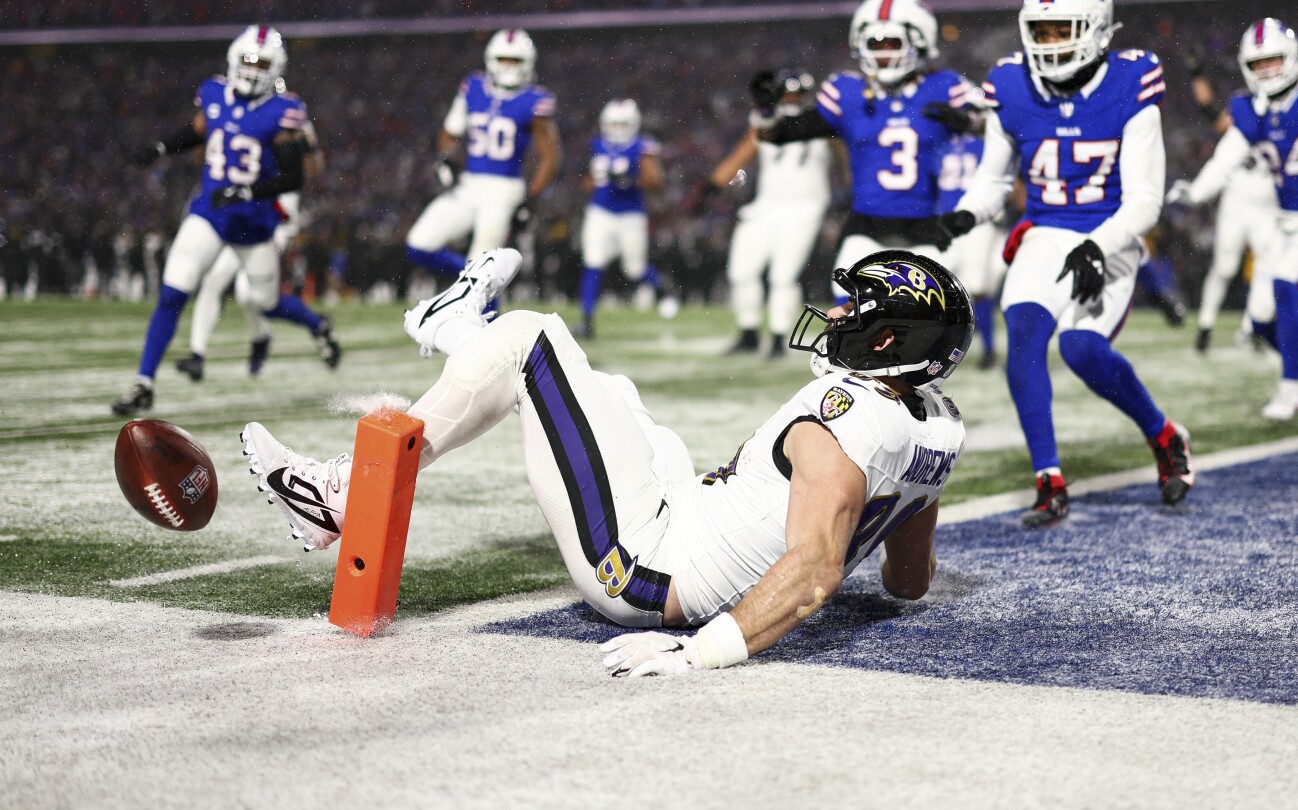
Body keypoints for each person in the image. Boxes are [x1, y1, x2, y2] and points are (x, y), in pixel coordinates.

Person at [243, 247, 973, 675]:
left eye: (857, 310)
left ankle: (342, 494)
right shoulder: (936, 424)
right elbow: (910, 580)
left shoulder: (837, 424)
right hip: (688, 522)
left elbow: (814, 573)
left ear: (889, 341)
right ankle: (460, 328)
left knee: (532, 339)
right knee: (607, 390)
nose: (838, 314)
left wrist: (701, 654)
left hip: (644, 565)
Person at [938, 0, 1195, 527]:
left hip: (1112, 233)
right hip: (1046, 231)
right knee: (1025, 338)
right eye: (1042, 30)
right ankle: (1048, 480)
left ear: (1097, 30)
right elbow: (992, 178)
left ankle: (1164, 435)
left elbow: (1146, 199)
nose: (1052, 41)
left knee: (1080, 350)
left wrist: (1100, 245)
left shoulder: (1131, 81)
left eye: (1064, 29)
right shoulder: (1011, 85)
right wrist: (965, 214)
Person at [1168, 18, 1298, 425]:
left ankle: (1290, 390)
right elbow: (1224, 159)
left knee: (1285, 282)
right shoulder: (1248, 109)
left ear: (1293, 59)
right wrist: (1196, 191)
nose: (1267, 71)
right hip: (1285, 221)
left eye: (1274, 61)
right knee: (1261, 322)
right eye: (1259, 63)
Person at [113, 25, 312, 416]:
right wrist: (160, 148)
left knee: (265, 303)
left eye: (263, 63)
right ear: (234, 59)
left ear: (277, 68)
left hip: (254, 224)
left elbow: (294, 176)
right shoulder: (213, 92)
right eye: (249, 60)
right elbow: (198, 130)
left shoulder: (284, 111)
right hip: (210, 212)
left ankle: (317, 325)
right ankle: (144, 382)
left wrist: (248, 192)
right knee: (174, 291)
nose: (254, 70)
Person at [751, 0, 977, 300]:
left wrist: (971, 119)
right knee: (847, 300)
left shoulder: (943, 86)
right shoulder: (848, 91)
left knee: (927, 311)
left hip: (927, 224)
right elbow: (781, 133)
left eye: (892, 42)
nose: (883, 52)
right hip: (867, 223)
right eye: (875, 42)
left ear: (920, 41)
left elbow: (993, 120)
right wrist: (766, 111)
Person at [174, 109, 341, 381]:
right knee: (216, 280)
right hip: (240, 213)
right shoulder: (241, 114)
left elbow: (311, 169)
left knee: (248, 294)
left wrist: (305, 142)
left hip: (273, 218)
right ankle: (198, 355)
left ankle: (299, 327)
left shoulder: (288, 120)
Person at [403, 28, 561, 298]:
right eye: (503, 59)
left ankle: (486, 316)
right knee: (418, 245)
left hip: (504, 190)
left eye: (515, 60)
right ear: (491, 59)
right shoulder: (473, 87)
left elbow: (550, 156)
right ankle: (466, 280)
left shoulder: (535, 100)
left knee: (482, 267)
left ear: (528, 63)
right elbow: (449, 135)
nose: (508, 66)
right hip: (468, 184)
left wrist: (531, 199)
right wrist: (446, 159)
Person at [703, 69, 840, 358]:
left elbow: (848, 157)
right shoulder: (765, 125)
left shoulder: (825, 125)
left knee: (783, 276)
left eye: (795, 95)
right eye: (785, 95)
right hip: (765, 206)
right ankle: (749, 332)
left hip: (804, 207)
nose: (790, 101)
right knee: (741, 271)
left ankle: (779, 337)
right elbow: (740, 156)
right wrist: (710, 187)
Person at [1180, 43, 1280, 354]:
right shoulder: (1242, 106)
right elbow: (1211, 112)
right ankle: (1206, 326)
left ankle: (1254, 327)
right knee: (1224, 267)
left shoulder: (1289, 109)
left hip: (1269, 206)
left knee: (1269, 268)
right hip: (1237, 202)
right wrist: (1197, 74)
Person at [574, 98, 672, 340]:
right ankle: (587, 321)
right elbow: (586, 182)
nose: (618, 128)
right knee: (593, 261)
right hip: (600, 212)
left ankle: (661, 289)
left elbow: (658, 183)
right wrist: (599, 180)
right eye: (613, 123)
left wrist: (630, 177)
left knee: (634, 269)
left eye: (623, 123)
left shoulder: (643, 146)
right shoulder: (596, 144)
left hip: (631, 215)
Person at [935, 128, 1005, 369]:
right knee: (961, 289)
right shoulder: (984, 144)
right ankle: (960, 349)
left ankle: (986, 350)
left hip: (961, 221)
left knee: (972, 288)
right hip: (958, 222)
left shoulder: (939, 142)